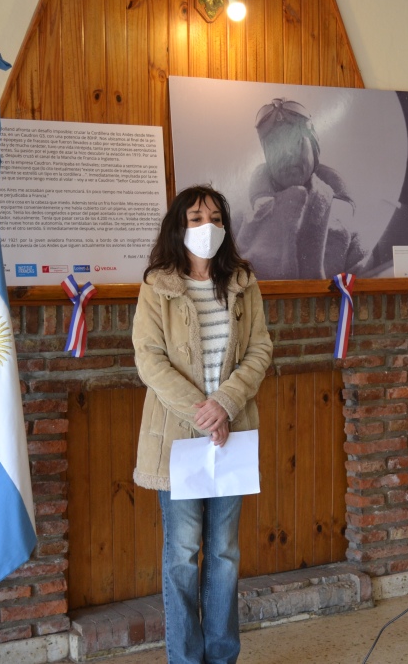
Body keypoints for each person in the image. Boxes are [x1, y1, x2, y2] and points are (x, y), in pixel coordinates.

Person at [132, 185, 273, 664]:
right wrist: (203, 410)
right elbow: (149, 360)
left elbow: (260, 349)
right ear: (178, 226)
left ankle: (223, 656)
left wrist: (227, 403)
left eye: (215, 217)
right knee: (181, 556)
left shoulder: (243, 281)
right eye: (195, 218)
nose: (206, 227)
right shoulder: (157, 285)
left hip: (231, 434)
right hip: (180, 438)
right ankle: (186, 659)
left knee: (225, 556)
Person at [235, 98, 367, 279]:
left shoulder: (346, 221)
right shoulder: (238, 221)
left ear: (313, 147)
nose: (287, 153)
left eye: (296, 141)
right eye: (275, 146)